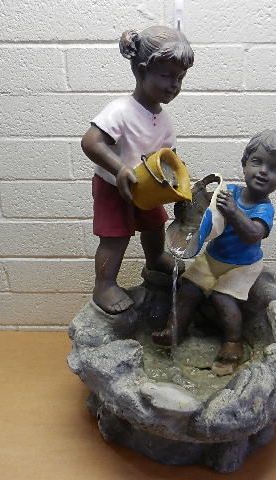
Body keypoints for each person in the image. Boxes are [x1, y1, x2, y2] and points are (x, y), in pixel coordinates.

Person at [152, 130, 276, 375]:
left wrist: (233, 212)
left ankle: (233, 342)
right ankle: (174, 329)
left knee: (223, 299)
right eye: (257, 161)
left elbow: (252, 234)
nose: (263, 170)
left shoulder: (264, 209)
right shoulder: (229, 190)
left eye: (274, 168)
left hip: (241, 266)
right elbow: (206, 209)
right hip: (213, 257)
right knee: (188, 288)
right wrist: (196, 199)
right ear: (244, 164)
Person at [81, 26, 194, 315]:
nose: (174, 85)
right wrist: (119, 169)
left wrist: (182, 189)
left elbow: (171, 159)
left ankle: (155, 259)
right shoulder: (121, 110)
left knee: (155, 225)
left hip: (148, 187)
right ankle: (104, 284)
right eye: (167, 75)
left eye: (180, 78)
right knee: (115, 237)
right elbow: (91, 142)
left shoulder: (164, 121)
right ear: (142, 71)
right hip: (113, 185)